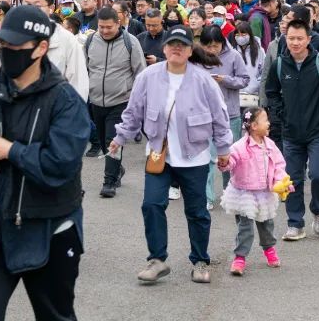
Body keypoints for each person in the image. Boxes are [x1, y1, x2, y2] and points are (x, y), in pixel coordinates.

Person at [0, 4, 90, 321]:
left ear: (41, 47)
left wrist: (9, 151)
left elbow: (62, 165)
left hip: (51, 228)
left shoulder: (65, 99)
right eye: (3, 44)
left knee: (55, 316)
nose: (7, 51)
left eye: (16, 46)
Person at [110, 26, 233, 285]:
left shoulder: (203, 80)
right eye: (172, 44)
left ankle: (200, 261)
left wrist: (223, 150)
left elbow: (220, 119)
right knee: (152, 205)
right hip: (159, 154)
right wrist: (120, 137)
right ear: (164, 48)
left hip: (195, 157)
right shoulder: (148, 76)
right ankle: (157, 259)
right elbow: (133, 112)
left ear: (190, 50)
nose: (176, 48)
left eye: (182, 45)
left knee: (197, 211)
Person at [264, 19, 319, 242]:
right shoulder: (280, 65)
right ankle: (295, 223)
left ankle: (318, 209)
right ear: (285, 39)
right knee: (292, 179)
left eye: (300, 38)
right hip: (290, 132)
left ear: (309, 39)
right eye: (291, 38)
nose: (295, 42)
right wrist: (278, 115)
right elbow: (271, 92)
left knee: (318, 175)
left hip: (318, 131)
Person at [85, 7, 146, 198]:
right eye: (101, 27)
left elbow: (140, 72)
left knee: (113, 140)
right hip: (96, 101)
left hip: (121, 101)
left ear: (118, 24)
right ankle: (117, 169)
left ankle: (109, 181)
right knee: (104, 143)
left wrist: (138, 100)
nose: (104, 31)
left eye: (108, 27)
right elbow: (85, 68)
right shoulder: (90, 41)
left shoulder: (130, 42)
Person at [221, 107, 288, 276]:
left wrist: (281, 181)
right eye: (265, 120)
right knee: (245, 228)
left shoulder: (270, 145)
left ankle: (269, 249)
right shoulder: (240, 147)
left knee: (266, 225)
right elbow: (231, 162)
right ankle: (240, 258)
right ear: (253, 126)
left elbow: (279, 164)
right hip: (244, 194)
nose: (269, 123)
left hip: (264, 192)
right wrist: (224, 162)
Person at [199, 25, 251, 209]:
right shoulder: (197, 57)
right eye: (208, 46)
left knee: (229, 157)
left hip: (230, 114)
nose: (212, 50)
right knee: (208, 158)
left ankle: (231, 192)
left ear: (222, 43)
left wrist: (225, 80)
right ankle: (207, 196)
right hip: (204, 115)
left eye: (215, 46)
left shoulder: (234, 56)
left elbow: (244, 79)